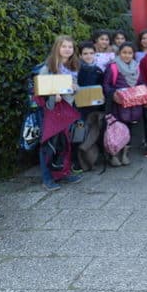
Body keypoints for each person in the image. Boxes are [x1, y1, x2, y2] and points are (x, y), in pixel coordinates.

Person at [36, 36, 83, 190]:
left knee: (64, 144)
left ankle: (63, 173)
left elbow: (74, 86)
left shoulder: (73, 66)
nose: (67, 49)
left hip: (67, 109)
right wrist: (52, 94)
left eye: (70, 47)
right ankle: (47, 178)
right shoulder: (48, 67)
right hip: (52, 111)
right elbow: (40, 89)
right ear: (57, 48)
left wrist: (76, 87)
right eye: (64, 46)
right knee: (49, 145)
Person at [103, 42, 144, 166]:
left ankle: (125, 154)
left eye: (130, 53)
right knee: (116, 130)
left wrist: (144, 92)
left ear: (133, 54)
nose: (127, 55)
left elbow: (141, 83)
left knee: (128, 130)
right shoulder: (113, 67)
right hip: (117, 105)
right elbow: (106, 84)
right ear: (119, 53)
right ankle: (114, 155)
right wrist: (113, 94)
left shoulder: (137, 67)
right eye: (124, 53)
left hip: (132, 105)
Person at [76, 41, 105, 172]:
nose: (88, 56)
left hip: (95, 109)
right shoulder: (76, 71)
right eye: (85, 53)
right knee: (81, 133)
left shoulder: (99, 70)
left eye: (91, 53)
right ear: (80, 55)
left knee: (95, 132)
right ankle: (80, 161)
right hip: (80, 108)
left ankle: (93, 159)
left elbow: (102, 88)